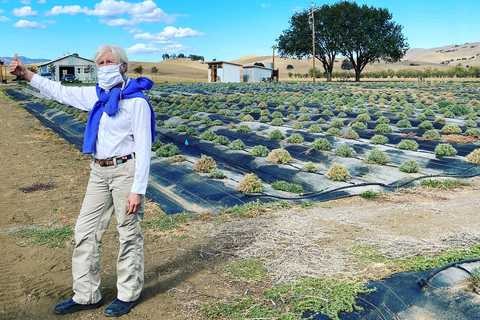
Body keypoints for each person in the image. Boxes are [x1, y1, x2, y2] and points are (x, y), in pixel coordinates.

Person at [9, 44, 155, 317]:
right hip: (99, 172)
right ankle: (86, 294)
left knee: (128, 233)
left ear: (123, 66)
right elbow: (62, 92)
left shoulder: (137, 102)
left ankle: (128, 293)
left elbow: (145, 148)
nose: (103, 67)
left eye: (109, 62)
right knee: (85, 231)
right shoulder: (96, 95)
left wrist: (138, 189)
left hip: (126, 170)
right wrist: (28, 75)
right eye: (99, 63)